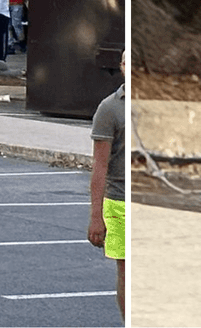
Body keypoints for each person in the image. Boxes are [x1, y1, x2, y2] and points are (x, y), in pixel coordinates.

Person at [88, 51, 126, 319]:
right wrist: (96, 217)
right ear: (122, 67)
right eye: (128, 63)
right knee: (128, 271)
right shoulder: (110, 108)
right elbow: (100, 166)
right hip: (121, 203)